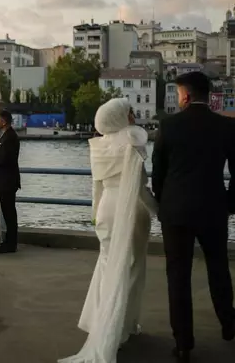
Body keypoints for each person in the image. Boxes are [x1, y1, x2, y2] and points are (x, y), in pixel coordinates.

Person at [151, 71, 235, 362]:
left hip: (176, 212)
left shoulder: (169, 126)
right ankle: (227, 321)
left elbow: (159, 173)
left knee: (177, 277)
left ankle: (183, 344)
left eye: (179, 94)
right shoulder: (226, 127)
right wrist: (230, 203)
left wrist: (163, 202)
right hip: (213, 210)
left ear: (187, 96)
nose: (178, 98)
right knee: (218, 268)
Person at [59, 98, 157, 363]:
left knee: (106, 264)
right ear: (121, 118)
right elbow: (140, 188)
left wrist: (95, 216)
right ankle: (123, 325)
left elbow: (97, 188)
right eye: (130, 112)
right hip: (131, 210)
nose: (134, 116)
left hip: (105, 209)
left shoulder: (98, 146)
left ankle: (100, 321)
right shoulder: (133, 142)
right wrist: (159, 212)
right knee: (133, 267)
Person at [0, 110, 20, 254]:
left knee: (9, 213)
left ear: (4, 121)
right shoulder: (6, 135)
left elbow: (5, 159)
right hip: (5, 181)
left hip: (7, 181)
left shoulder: (9, 137)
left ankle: (11, 243)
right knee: (8, 212)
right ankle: (9, 242)